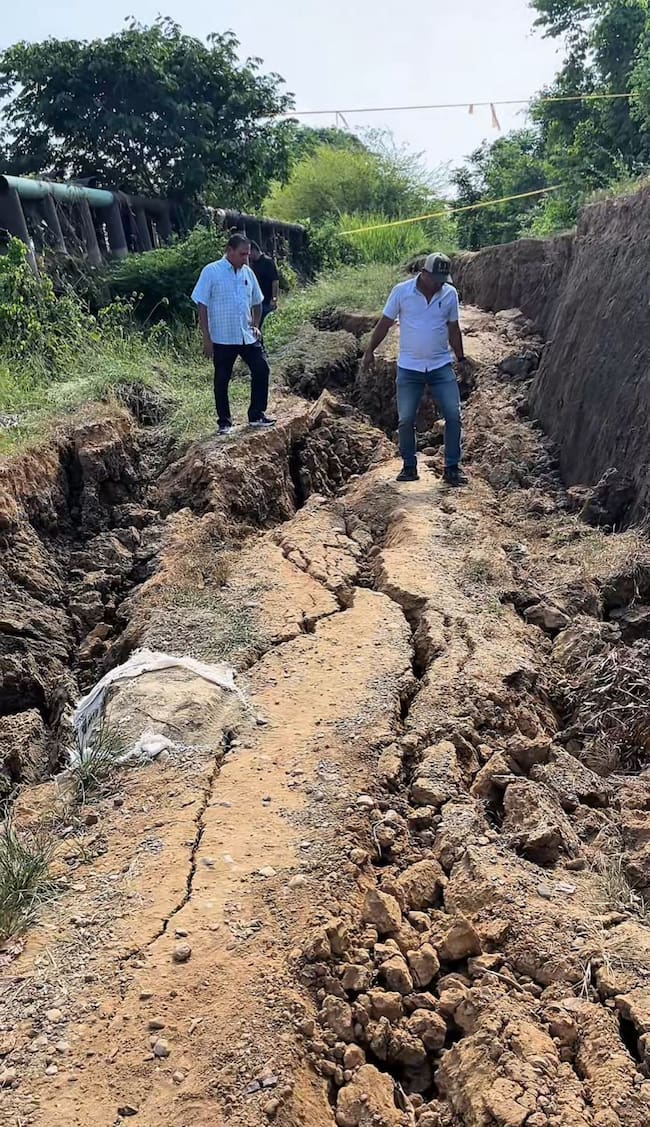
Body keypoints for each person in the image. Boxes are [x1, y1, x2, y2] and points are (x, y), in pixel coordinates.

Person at [362, 252, 470, 487]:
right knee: (406, 419)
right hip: (409, 367)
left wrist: (461, 359)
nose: (440, 283)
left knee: (453, 415)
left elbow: (453, 328)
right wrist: (370, 351)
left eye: (443, 278)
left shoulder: (449, 294)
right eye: (436, 278)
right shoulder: (402, 292)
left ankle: (451, 468)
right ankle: (409, 466)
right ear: (424, 273)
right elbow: (385, 323)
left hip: (440, 365)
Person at [192, 233, 275, 436]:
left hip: (246, 335)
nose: (246, 258)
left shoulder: (247, 273)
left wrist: (256, 325)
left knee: (261, 369)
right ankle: (225, 422)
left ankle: (256, 415)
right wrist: (206, 337)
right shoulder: (211, 271)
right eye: (241, 254)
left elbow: (257, 300)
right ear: (229, 251)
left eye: (247, 254)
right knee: (222, 379)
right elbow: (201, 304)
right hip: (222, 338)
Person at [249, 241, 280, 328]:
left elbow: (275, 281)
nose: (248, 256)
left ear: (254, 250)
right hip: (256, 301)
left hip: (267, 301)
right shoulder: (252, 264)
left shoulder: (268, 262)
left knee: (264, 326)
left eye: (249, 253)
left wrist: (274, 298)